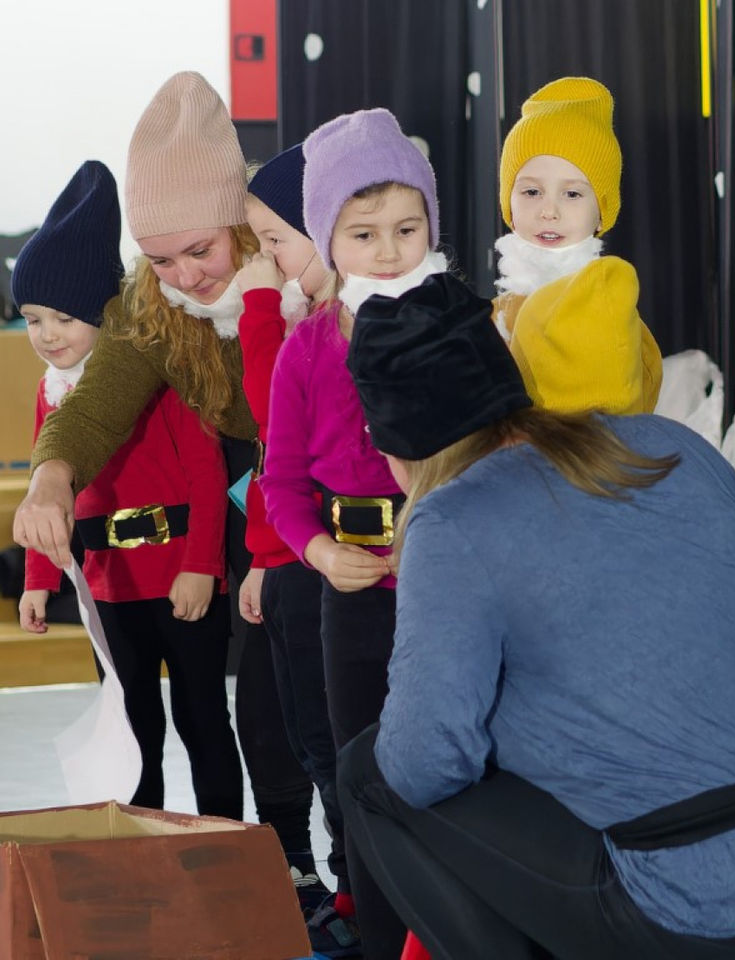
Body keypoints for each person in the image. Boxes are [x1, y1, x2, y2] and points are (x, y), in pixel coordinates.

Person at [338, 273, 735, 960]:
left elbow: (424, 763)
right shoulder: (670, 442)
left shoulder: (452, 518)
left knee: (366, 770)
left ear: (397, 450)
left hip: (691, 911)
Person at [11, 72, 317, 888]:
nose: (183, 274)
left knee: (313, 709)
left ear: (239, 225)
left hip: (315, 504)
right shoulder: (153, 306)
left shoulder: (295, 278)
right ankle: (289, 871)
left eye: (200, 250)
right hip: (253, 523)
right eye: (159, 258)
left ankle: (338, 874)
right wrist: (50, 478)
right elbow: (96, 403)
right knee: (257, 706)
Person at [259, 107, 447, 960]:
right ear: (328, 239)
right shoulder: (304, 348)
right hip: (348, 585)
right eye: (363, 232)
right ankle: (378, 933)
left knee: (451, 766)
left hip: (442, 584)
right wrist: (317, 550)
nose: (387, 250)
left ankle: (455, 929)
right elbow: (282, 483)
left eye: (407, 229)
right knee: (357, 768)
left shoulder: (462, 327)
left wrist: (436, 536)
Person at [13, 160, 242, 817]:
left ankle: (222, 835)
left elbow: (205, 472)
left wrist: (202, 569)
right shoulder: (50, 394)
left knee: (202, 719)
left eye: (62, 317)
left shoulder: (158, 368)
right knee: (133, 722)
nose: (47, 335)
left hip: (180, 576)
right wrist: (39, 577)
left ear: (105, 314)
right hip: (109, 582)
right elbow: (46, 484)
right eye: (32, 319)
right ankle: (143, 848)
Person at [232, 142, 349, 934]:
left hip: (333, 569)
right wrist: (264, 556)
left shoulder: (325, 328)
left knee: (335, 742)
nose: (268, 260)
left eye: (277, 240)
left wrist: (257, 312)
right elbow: (275, 465)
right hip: (293, 559)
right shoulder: (307, 320)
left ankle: (357, 894)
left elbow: (278, 423)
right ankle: (335, 889)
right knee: (305, 735)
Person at [494, 75, 662, 416]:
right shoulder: (495, 315)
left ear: (601, 212)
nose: (549, 211)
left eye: (572, 194)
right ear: (508, 203)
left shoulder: (608, 308)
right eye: (531, 191)